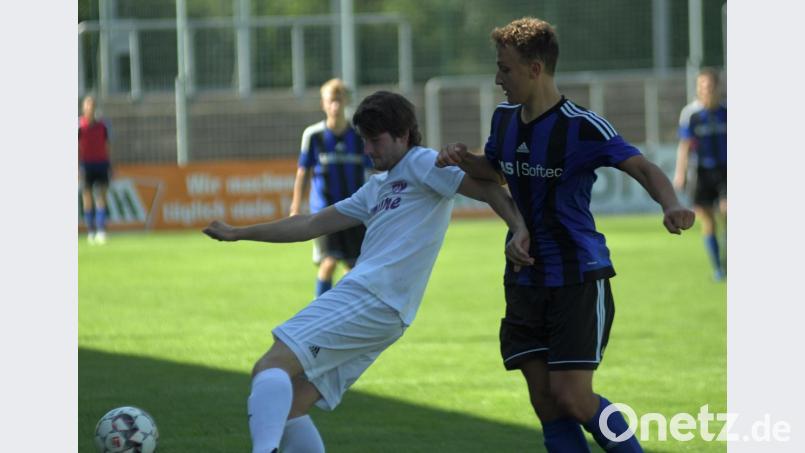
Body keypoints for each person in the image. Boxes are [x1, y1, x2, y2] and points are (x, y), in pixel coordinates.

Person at [203, 91, 534, 453]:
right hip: (388, 311)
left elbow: (487, 188)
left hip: (372, 293)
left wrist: (518, 226)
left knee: (270, 366)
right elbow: (310, 223)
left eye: (375, 140)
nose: (368, 149)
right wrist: (239, 233)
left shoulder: (421, 162)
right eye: (364, 140)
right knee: (293, 405)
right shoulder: (376, 187)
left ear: (404, 135)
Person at [435, 17, 695, 452]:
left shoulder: (583, 125)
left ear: (535, 69)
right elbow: (494, 171)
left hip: (577, 277)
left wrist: (671, 204)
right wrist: (463, 158)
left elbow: (643, 167)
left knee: (574, 399)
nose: (498, 79)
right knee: (546, 403)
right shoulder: (504, 121)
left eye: (506, 69)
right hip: (524, 277)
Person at [289, 78, 373, 297]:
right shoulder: (314, 136)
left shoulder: (359, 136)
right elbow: (303, 172)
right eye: (331, 101)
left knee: (354, 269)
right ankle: (320, 309)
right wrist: (295, 207)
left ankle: (339, 308)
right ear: (323, 104)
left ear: (346, 102)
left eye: (340, 100)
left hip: (355, 211)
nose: (335, 106)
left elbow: (374, 171)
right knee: (329, 262)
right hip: (324, 211)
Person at [673, 68, 727, 281]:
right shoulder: (691, 114)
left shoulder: (728, 111)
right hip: (702, 173)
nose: (706, 90)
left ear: (717, 87)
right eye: (702, 86)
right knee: (708, 221)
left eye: (710, 86)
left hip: (727, 171)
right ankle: (718, 269)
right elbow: (684, 145)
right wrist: (680, 173)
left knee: (727, 211)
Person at [78, 95, 112, 245]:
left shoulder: (103, 126)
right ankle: (91, 231)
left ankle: (101, 230)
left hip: (101, 163)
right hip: (86, 165)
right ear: (83, 108)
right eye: (87, 105)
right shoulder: (79, 126)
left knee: (102, 196)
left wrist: (110, 163)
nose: (90, 108)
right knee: (87, 197)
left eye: (92, 105)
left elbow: (108, 145)